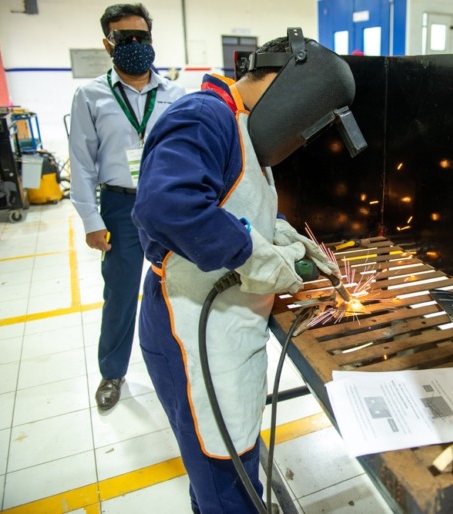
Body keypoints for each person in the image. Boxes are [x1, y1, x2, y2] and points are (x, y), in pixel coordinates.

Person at [131, 31, 359, 513]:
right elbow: (168, 206)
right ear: (287, 83)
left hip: (227, 327)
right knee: (224, 478)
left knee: (233, 456)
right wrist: (254, 257)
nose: (300, 136)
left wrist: (284, 238)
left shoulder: (239, 125)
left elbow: (236, 205)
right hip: (193, 330)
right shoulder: (202, 115)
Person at [69, 3, 186, 410]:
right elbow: (82, 164)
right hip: (119, 207)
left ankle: (180, 364)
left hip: (167, 203)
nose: (135, 45)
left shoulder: (175, 93)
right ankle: (112, 372)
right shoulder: (90, 96)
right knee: (120, 294)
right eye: (125, 38)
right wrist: (90, 219)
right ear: (108, 44)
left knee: (178, 289)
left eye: (142, 37)